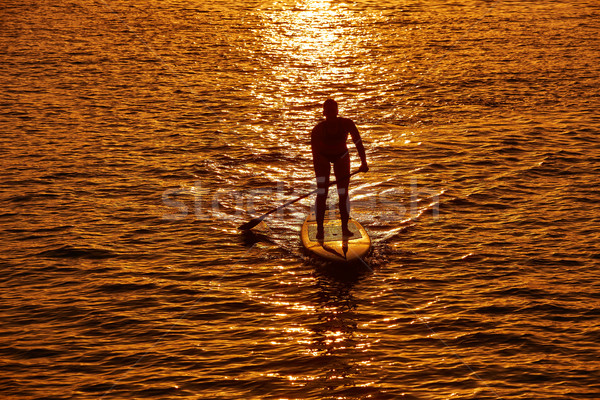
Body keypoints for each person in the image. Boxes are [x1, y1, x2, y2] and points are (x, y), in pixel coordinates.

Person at [311, 99, 368, 239]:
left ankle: (345, 228)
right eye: (328, 111)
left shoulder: (347, 124)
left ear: (337, 111)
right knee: (322, 193)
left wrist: (364, 162)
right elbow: (316, 156)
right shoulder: (317, 130)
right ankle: (319, 230)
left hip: (342, 158)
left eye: (333, 111)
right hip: (322, 159)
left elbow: (358, 143)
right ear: (324, 113)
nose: (331, 114)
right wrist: (324, 180)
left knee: (343, 193)